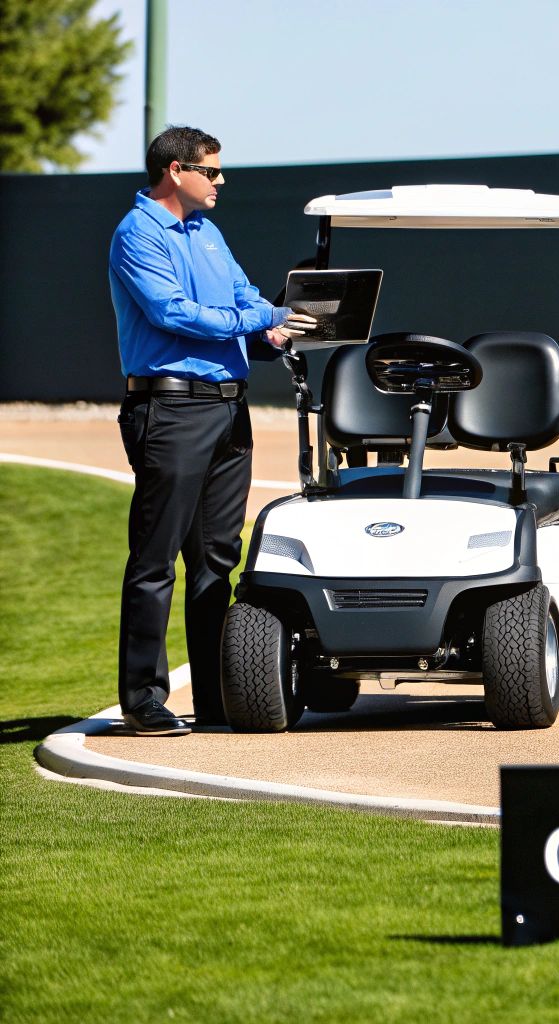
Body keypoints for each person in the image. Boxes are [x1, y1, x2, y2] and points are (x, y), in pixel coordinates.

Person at [108, 125, 315, 736]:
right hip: (169, 411)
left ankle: (218, 696)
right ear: (176, 171)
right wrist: (257, 318)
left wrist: (269, 330)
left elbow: (247, 298)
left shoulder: (208, 232)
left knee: (216, 560)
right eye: (212, 171)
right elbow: (171, 311)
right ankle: (143, 701)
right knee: (154, 560)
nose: (221, 181)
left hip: (228, 408)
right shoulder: (136, 234)